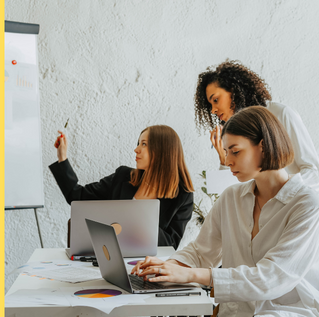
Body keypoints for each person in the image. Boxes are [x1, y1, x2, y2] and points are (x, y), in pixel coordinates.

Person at [132, 106, 319, 316]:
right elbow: (201, 251)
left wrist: (191, 275)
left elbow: (271, 278)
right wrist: (166, 266)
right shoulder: (231, 197)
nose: (228, 160)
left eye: (235, 151)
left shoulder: (307, 204)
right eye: (225, 151)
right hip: (236, 311)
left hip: (288, 311)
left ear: (264, 146)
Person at [49, 125, 194, 250]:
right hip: (110, 256)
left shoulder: (183, 196)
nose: (136, 149)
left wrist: (139, 217)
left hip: (147, 265)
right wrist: (62, 157)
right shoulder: (123, 177)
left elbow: (171, 245)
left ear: (163, 151)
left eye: (144, 144)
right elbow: (76, 196)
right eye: (138, 143)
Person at [194, 60, 319, 191]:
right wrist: (223, 158)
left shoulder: (281, 114)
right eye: (210, 105)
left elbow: (314, 172)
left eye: (215, 100)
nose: (213, 110)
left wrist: (282, 192)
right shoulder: (234, 132)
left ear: (234, 90)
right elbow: (230, 192)